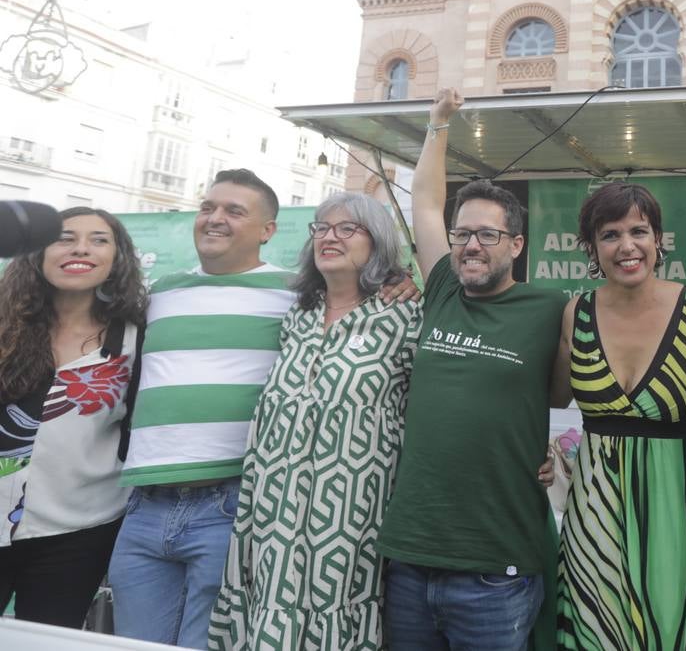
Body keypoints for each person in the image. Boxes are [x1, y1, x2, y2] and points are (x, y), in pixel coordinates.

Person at [110, 169, 415, 649]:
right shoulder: (172, 293)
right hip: (187, 510)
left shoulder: (321, 300)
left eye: (234, 210)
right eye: (209, 207)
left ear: (268, 230)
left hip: (263, 510)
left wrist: (403, 280)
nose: (216, 218)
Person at [380, 86, 567, 651]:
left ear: (516, 244)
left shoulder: (550, 308)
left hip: (497, 565)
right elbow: (425, 203)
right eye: (463, 234)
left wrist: (556, 454)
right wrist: (438, 124)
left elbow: (568, 396)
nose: (470, 246)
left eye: (487, 235)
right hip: (410, 556)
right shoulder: (441, 291)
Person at [209, 192, 421, 650]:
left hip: (348, 516)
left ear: (378, 241)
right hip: (269, 512)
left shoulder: (405, 314)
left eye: (348, 228)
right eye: (322, 228)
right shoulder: (297, 314)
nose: (330, 237)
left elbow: (437, 404)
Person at [553, 181, 686, 650]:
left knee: (675, 633)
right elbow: (549, 395)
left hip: (675, 512)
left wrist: (682, 429)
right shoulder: (577, 313)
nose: (626, 246)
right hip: (593, 514)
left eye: (639, 231)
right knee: (593, 633)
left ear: (658, 240)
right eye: (610, 235)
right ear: (592, 247)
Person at [0, 207, 146, 628]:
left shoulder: (135, 339)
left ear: (116, 259)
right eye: (65, 237)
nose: (81, 248)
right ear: (37, 253)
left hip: (79, 532)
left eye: (99, 239)